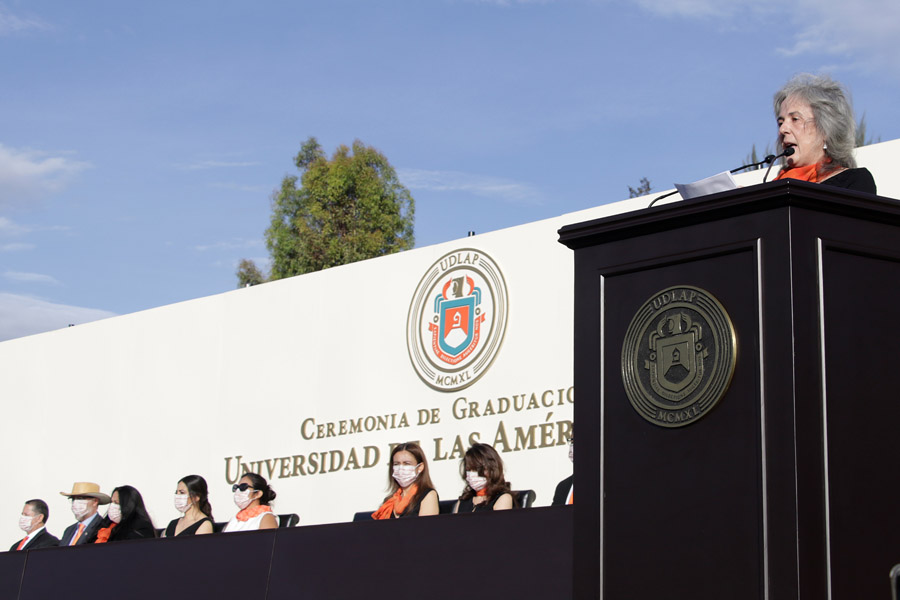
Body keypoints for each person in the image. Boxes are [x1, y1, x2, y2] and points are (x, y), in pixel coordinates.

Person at [773, 73, 877, 194]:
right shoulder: (771, 189)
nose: (783, 129)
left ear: (826, 130)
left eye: (795, 119)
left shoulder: (853, 181)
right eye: (780, 123)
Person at [371, 442, 439, 519]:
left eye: (406, 463)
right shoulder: (390, 501)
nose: (400, 468)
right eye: (396, 464)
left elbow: (426, 528)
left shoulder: (428, 495)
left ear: (420, 467)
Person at [453, 443, 514, 513]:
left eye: (477, 469)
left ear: (491, 469)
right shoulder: (462, 502)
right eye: (468, 470)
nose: (472, 474)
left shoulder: (503, 498)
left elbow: (499, 523)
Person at [92, 485, 156, 543]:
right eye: (111, 502)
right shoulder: (106, 524)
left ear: (129, 505)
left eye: (116, 503)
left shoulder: (140, 528)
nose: (112, 506)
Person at [58, 481, 110, 546]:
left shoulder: (103, 527)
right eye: (73, 499)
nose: (75, 503)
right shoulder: (69, 530)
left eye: (80, 498)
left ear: (95, 501)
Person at [552, 434, 574, 506]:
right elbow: (553, 515)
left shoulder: (598, 484)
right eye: (571, 442)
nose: (571, 447)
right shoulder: (562, 487)